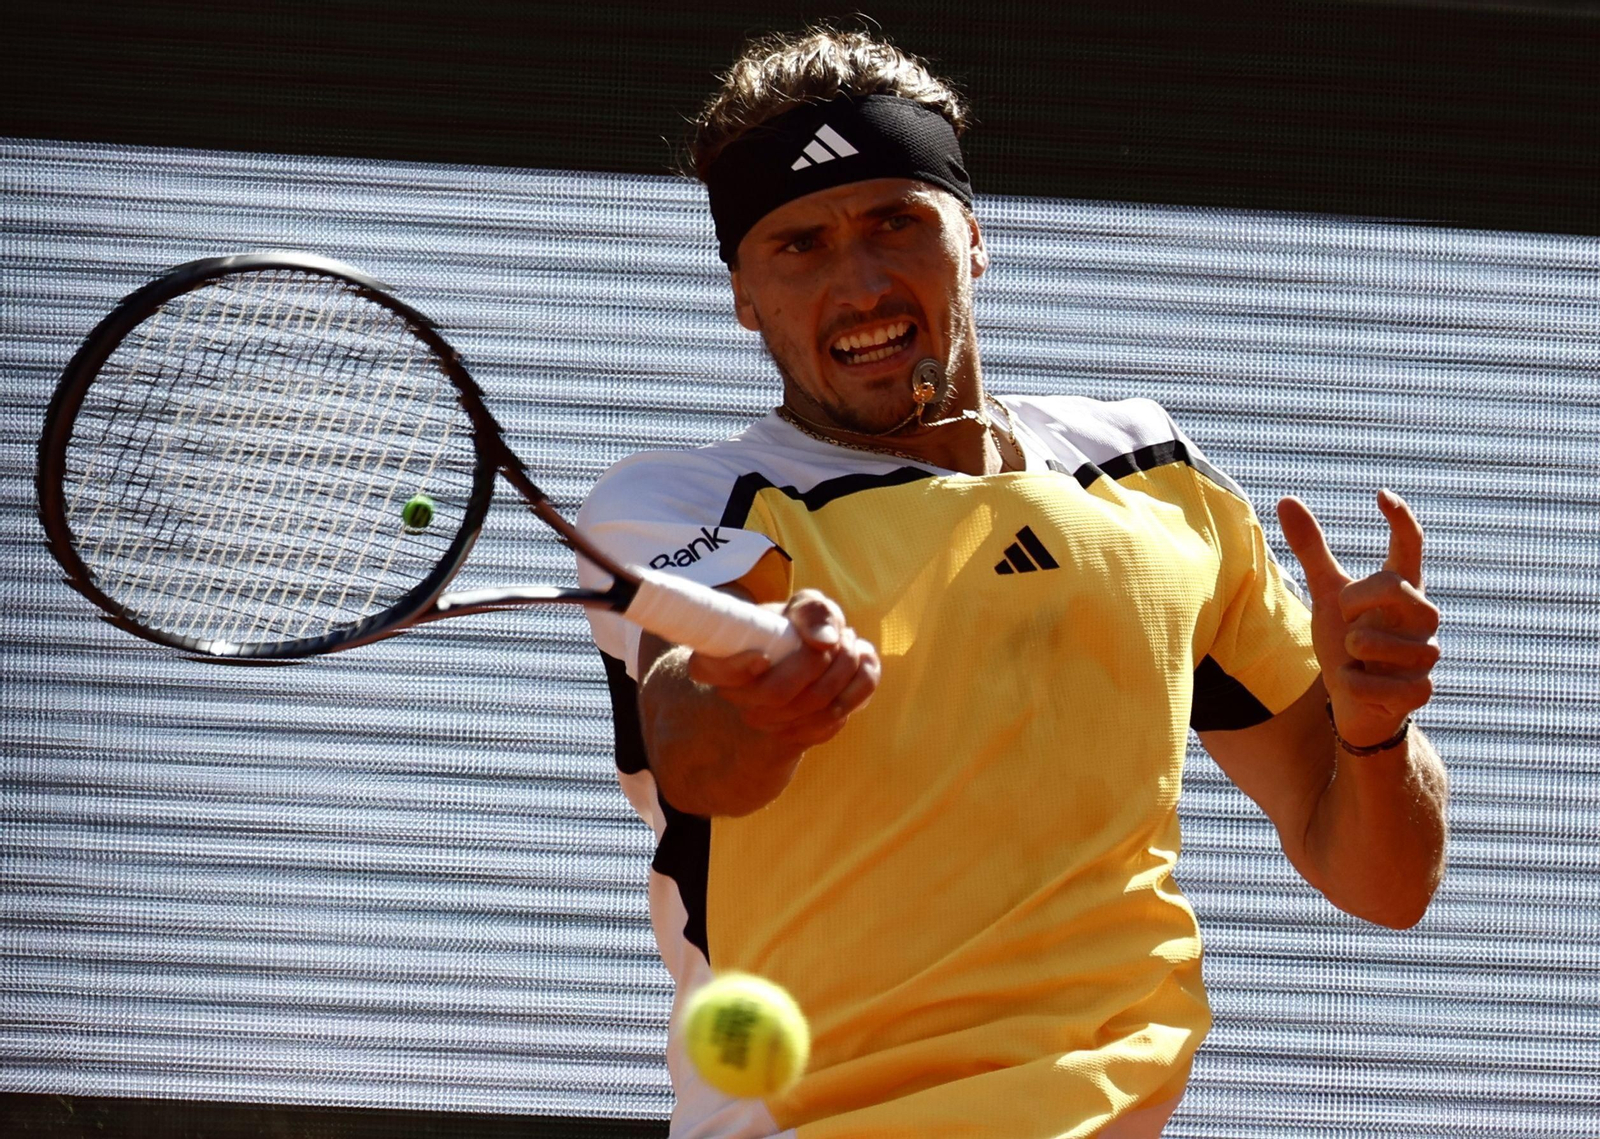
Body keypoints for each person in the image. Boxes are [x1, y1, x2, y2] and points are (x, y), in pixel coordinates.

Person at [575, 26, 1449, 1139]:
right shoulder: (682, 502)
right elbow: (696, 751)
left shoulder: (1148, 468)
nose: (861, 283)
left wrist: (1374, 730)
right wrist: (763, 694)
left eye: (896, 221)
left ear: (973, 237)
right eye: (800, 245)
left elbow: (1385, 883)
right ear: (744, 295)